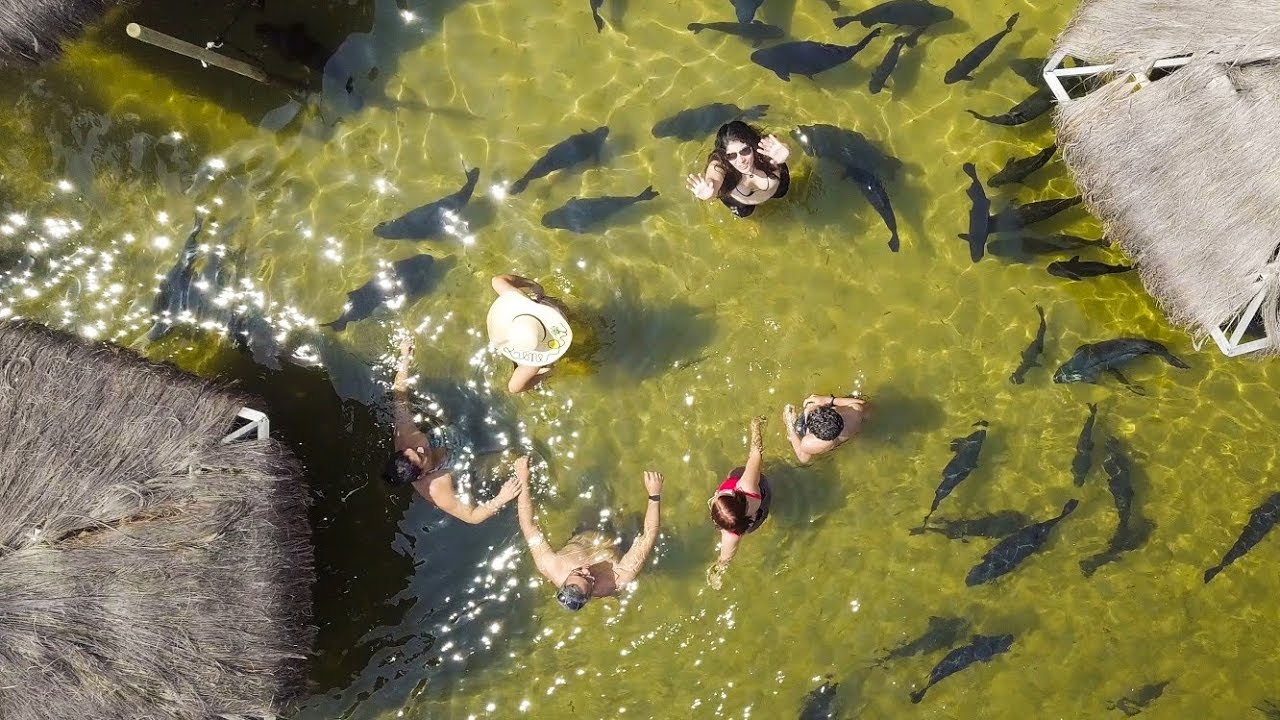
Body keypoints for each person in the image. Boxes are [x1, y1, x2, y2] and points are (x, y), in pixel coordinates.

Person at [383, 336, 523, 522]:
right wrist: (501, 498)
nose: (420, 448)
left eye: (413, 449)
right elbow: (472, 517)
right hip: (468, 460)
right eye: (421, 456)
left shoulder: (406, 437)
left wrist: (405, 358)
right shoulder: (436, 489)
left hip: (455, 431)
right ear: (423, 474)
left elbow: (399, 395)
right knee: (514, 459)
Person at [514, 456, 664, 611]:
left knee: (597, 488)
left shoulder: (551, 565)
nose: (586, 569)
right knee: (636, 517)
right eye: (589, 579)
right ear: (591, 592)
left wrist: (523, 479)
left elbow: (528, 525)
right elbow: (649, 536)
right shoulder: (618, 579)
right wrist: (654, 495)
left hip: (587, 530)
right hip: (620, 543)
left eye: (579, 573)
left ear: (565, 579)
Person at [707, 415, 770, 588]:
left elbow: (725, 558)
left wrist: (716, 573)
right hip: (762, 494)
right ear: (735, 496)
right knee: (740, 472)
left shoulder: (730, 536)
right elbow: (756, 453)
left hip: (753, 520)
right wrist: (755, 428)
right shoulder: (746, 486)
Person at [686, 120, 792, 218]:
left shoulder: (763, 151)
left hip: (777, 188)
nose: (741, 160)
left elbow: (781, 148)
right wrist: (710, 189)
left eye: (745, 151)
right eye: (731, 155)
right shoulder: (721, 165)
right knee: (745, 214)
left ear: (753, 146)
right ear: (724, 156)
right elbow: (713, 178)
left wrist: (786, 151)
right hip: (740, 204)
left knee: (783, 194)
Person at [487, 274, 573, 393]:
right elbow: (497, 280)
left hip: (524, 348)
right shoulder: (520, 299)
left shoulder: (530, 365)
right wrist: (533, 285)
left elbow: (514, 388)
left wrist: (544, 374)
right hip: (539, 344)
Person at [783, 394, 871, 464]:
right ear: (833, 412)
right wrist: (829, 400)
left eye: (809, 411)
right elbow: (864, 404)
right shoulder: (855, 412)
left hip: (824, 444)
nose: (808, 408)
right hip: (847, 432)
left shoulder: (809, 443)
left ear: (811, 432)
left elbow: (803, 458)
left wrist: (789, 425)